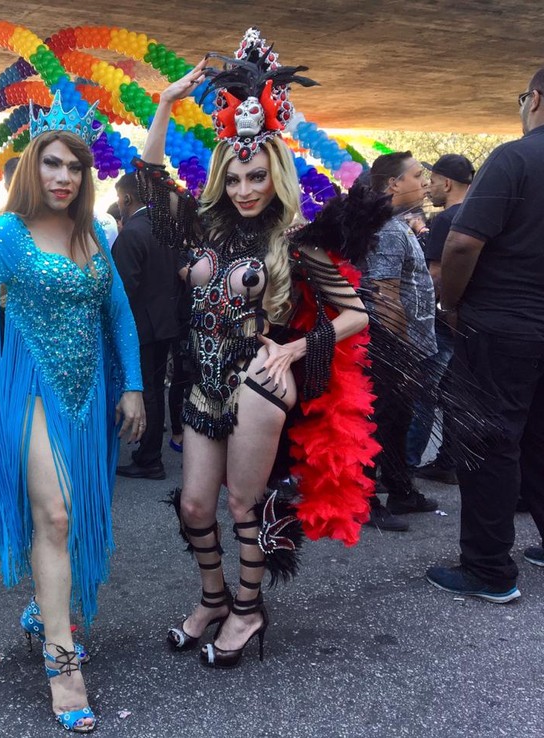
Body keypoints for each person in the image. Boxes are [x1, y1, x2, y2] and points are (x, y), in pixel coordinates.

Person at [138, 31, 374, 670]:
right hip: (200, 378)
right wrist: (163, 106)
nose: (245, 188)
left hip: (258, 380)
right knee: (192, 504)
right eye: (236, 175)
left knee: (242, 504)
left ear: (276, 173)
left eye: (257, 175)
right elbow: (153, 185)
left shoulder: (296, 240)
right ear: (222, 174)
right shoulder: (204, 226)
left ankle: (248, 609)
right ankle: (213, 598)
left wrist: (297, 348)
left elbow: (355, 313)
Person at [0, 99, 145, 732]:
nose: (63, 177)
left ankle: (47, 608)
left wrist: (134, 386)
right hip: (32, 392)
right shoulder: (8, 233)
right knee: (56, 513)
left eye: (74, 166)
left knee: (68, 521)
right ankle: (61, 660)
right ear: (31, 169)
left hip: (90, 395)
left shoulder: (91, 232)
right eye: (51, 164)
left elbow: (118, 314)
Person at [426, 67, 544, 602]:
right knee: (539, 440)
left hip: (500, 326)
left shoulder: (515, 158)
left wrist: (450, 304)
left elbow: (462, 245)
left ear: (535, 99)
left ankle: (488, 570)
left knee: (486, 442)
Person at [358, 152, 439, 531]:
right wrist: (401, 356)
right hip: (392, 349)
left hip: (406, 347)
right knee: (379, 421)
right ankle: (365, 501)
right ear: (393, 184)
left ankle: (401, 490)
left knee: (396, 421)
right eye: (418, 175)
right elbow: (385, 293)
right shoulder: (388, 230)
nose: (425, 182)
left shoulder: (396, 224)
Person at [407, 154, 475, 484]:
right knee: (457, 392)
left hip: (446, 320)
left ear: (447, 183)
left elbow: (435, 276)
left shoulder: (447, 220)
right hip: (475, 319)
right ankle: (450, 457)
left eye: (432, 181)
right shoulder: (480, 215)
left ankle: (404, 464)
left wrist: (429, 316)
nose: (429, 188)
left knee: (424, 391)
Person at [112, 172, 180, 480]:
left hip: (141, 325)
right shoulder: (165, 226)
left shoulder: (132, 233)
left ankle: (149, 457)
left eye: (118, 199)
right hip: (165, 320)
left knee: (147, 391)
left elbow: (122, 290)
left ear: (126, 198)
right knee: (154, 390)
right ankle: (149, 452)